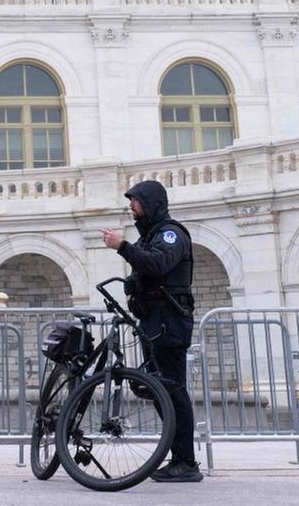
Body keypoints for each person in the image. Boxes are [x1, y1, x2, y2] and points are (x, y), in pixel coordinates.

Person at [101, 179, 201, 484]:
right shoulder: (150, 236)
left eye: (136, 201)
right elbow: (147, 271)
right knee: (161, 392)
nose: (131, 206)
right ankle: (178, 457)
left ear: (151, 203)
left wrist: (122, 247)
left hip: (168, 322)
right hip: (154, 323)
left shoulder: (170, 233)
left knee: (173, 390)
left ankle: (186, 462)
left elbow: (158, 264)